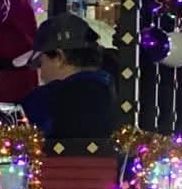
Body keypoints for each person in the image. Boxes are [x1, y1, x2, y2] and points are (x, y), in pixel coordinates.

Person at [16, 13, 124, 142]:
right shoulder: (120, 91)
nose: (41, 74)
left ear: (59, 57)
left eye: (40, 63)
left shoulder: (46, 99)